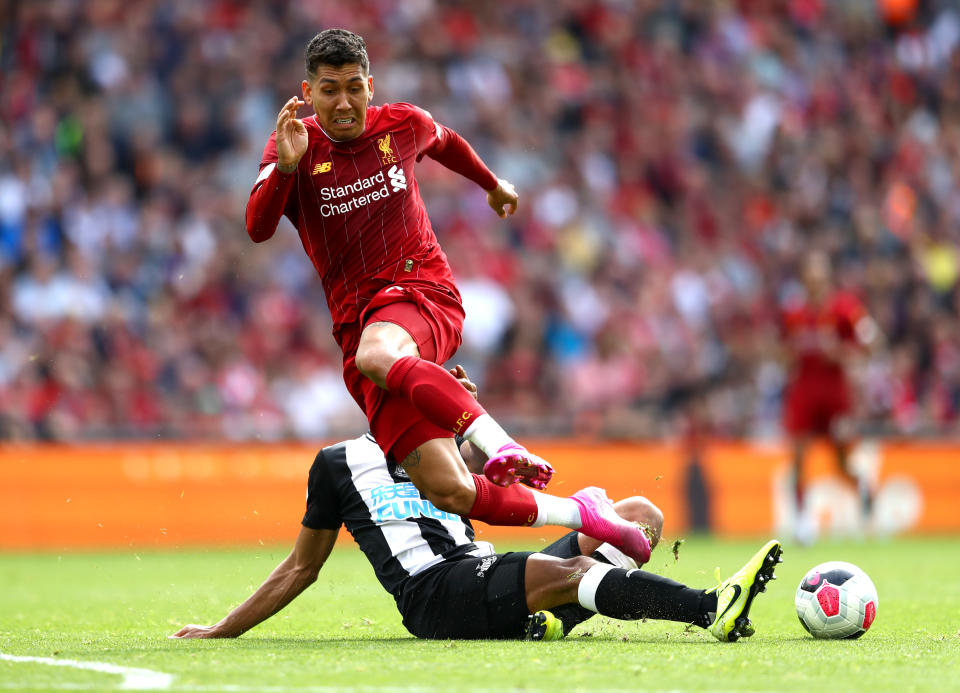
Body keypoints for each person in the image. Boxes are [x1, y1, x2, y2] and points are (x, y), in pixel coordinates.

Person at [244, 28, 649, 563]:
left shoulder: (401, 124)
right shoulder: (291, 145)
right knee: (448, 489)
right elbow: (256, 227)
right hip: (357, 325)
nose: (343, 102)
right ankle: (586, 513)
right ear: (308, 91)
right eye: (329, 89)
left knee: (378, 353)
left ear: (370, 85)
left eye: (353, 87)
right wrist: (289, 170)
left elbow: (445, 141)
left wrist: (492, 184)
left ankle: (500, 444)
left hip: (421, 290)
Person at [171, 369, 782, 642]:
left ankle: (542, 622)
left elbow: (491, 473)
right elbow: (302, 566)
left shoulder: (448, 445)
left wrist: (463, 410)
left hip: (479, 568)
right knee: (577, 571)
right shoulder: (337, 464)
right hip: (434, 595)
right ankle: (711, 611)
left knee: (641, 513)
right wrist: (226, 628)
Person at [781, 251, 879, 541]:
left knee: (839, 460)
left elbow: (870, 343)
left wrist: (839, 352)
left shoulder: (845, 308)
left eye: (819, 275)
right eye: (810, 276)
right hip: (804, 390)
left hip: (835, 393)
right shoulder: (794, 312)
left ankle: (863, 488)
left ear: (826, 278)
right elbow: (781, 350)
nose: (815, 281)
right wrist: (789, 352)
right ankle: (802, 523)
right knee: (799, 456)